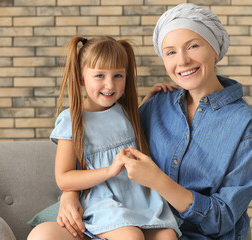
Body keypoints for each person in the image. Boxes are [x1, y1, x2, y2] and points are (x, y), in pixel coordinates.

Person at [27, 36, 181, 240]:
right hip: (101, 201)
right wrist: (110, 170)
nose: (110, 85)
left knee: (168, 236)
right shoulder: (72, 121)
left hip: (139, 200)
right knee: (131, 236)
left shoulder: (126, 112)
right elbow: (64, 178)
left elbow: (122, 125)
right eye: (99, 75)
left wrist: (150, 98)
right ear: (81, 78)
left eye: (118, 75)